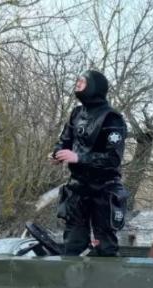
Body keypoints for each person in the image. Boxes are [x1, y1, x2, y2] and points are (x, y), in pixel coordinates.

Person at [50, 70, 129, 256]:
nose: (77, 83)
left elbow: (113, 158)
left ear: (94, 87)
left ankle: (107, 282)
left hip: (104, 189)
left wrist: (79, 158)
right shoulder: (76, 113)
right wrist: (57, 155)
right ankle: (70, 282)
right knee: (73, 242)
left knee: (104, 244)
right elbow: (64, 141)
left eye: (82, 81)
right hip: (78, 187)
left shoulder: (112, 118)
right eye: (77, 80)